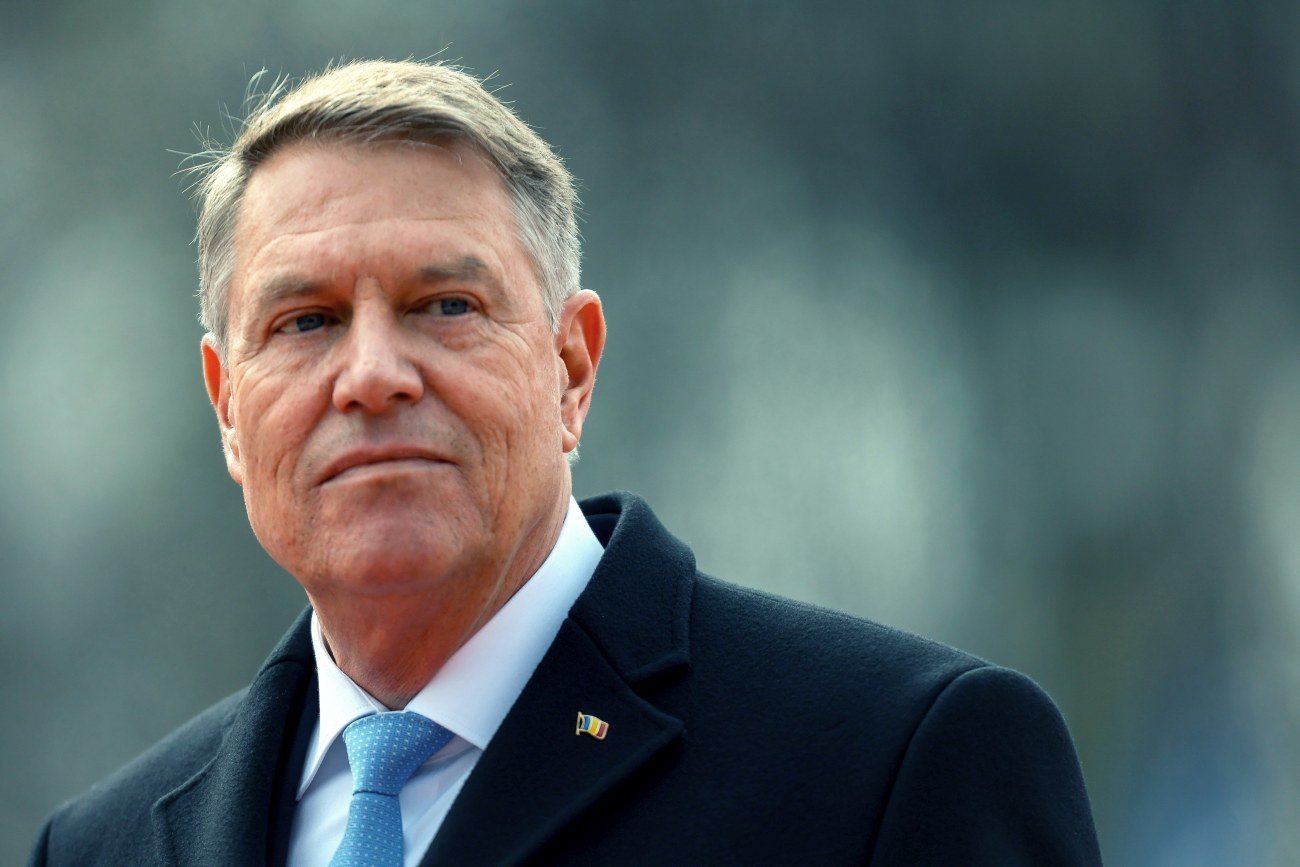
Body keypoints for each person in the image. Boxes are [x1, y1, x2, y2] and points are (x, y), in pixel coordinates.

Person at [28, 60, 1102, 866]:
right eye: (305, 321)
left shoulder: (895, 761)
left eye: (446, 305)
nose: (372, 375)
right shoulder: (99, 847)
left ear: (571, 368)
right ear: (227, 406)